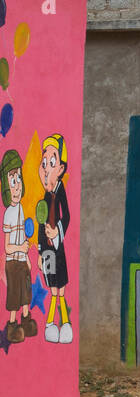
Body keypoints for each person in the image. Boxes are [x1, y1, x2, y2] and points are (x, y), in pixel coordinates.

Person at [37, 134, 73, 344]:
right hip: (49, 250)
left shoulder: (60, 191)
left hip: (58, 249)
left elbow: (66, 215)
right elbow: (41, 228)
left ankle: (65, 324)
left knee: (61, 289)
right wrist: (41, 253)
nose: (46, 168)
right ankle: (51, 324)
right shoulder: (44, 197)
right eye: (44, 164)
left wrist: (57, 232)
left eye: (51, 163)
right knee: (52, 289)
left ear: (60, 168)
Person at [2, 149, 36, 344]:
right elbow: (7, 247)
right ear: (6, 187)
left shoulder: (22, 208)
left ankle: (26, 321)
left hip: (22, 260)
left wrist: (28, 258)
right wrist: (20, 250)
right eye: (12, 181)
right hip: (13, 262)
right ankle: (13, 326)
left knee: (26, 293)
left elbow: (23, 236)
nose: (16, 187)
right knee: (15, 295)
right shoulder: (8, 213)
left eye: (18, 180)